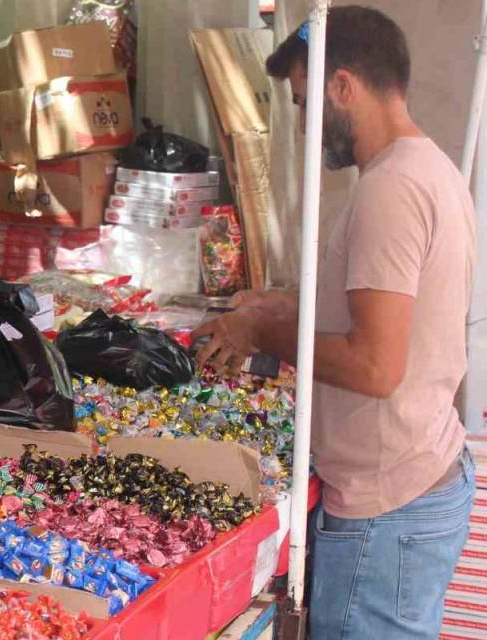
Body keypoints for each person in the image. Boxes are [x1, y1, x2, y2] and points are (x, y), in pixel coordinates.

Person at [194, 7, 477, 639]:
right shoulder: (427, 169)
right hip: (414, 481)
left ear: (342, 87)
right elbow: (372, 310)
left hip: (388, 507)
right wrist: (274, 307)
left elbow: (376, 365)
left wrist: (261, 335)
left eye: (304, 102)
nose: (304, 124)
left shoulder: (392, 191)